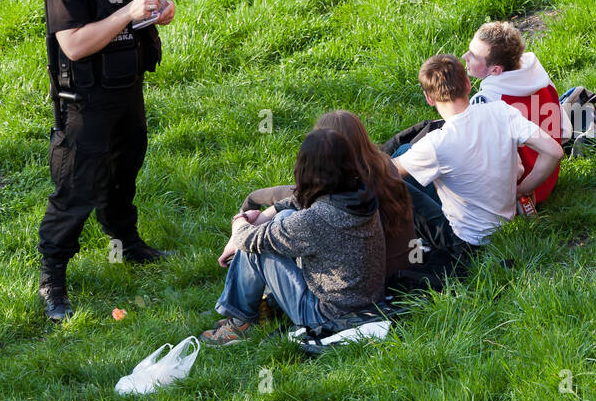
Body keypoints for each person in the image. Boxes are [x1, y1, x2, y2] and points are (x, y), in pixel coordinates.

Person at [38, 0, 176, 321]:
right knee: (75, 188)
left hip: (126, 87)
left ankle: (127, 244)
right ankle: (52, 280)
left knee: (124, 169)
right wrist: (126, 15)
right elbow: (74, 45)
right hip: (86, 100)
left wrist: (161, 9)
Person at [229, 108, 463, 295]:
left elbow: (299, 198)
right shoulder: (385, 169)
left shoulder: (352, 190)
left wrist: (246, 221)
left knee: (281, 227)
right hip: (401, 267)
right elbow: (296, 197)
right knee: (282, 219)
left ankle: (242, 313)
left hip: (373, 280)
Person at [202, 128, 386, 346]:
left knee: (258, 250)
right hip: (362, 304)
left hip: (325, 317)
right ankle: (258, 307)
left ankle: (240, 323)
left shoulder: (315, 220)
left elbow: (249, 240)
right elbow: (299, 201)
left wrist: (239, 221)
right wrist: (262, 216)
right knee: (285, 216)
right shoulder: (359, 195)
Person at [393, 55, 564, 254]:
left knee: (391, 182)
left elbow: (387, 172)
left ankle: (396, 248)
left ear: (429, 98)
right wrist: (524, 188)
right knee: (407, 153)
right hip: (504, 222)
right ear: (467, 84)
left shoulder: (437, 143)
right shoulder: (501, 112)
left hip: (465, 239)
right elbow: (554, 151)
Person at [464, 21, 566, 206]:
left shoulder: (488, 101)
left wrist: (523, 190)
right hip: (548, 180)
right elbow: (564, 130)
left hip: (522, 192)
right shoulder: (541, 79)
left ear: (496, 70)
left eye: (473, 55)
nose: (465, 56)